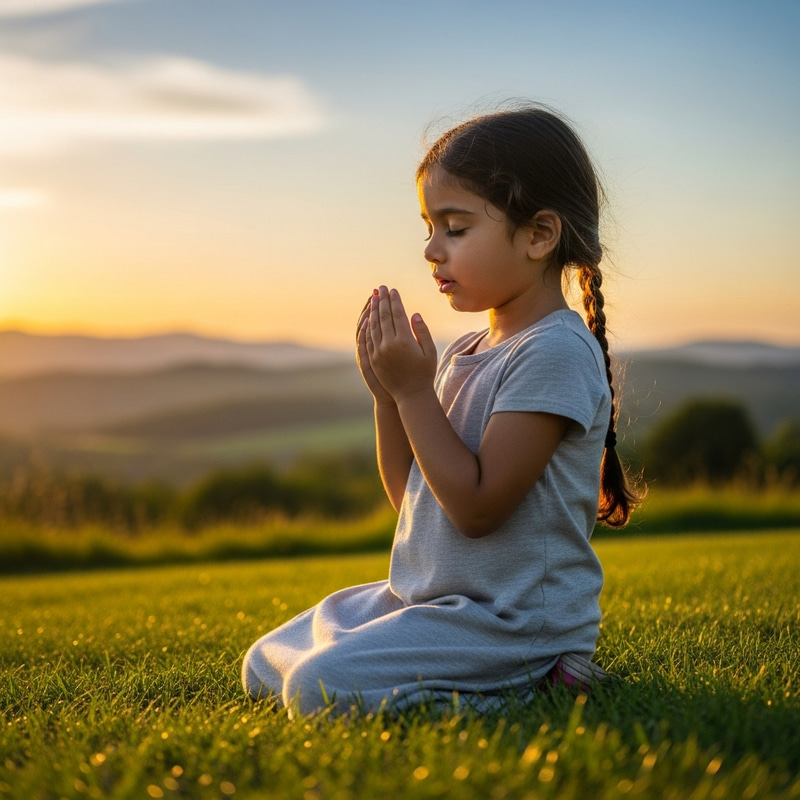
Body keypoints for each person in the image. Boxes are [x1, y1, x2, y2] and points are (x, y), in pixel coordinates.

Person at [242, 104, 640, 716]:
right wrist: (387, 398)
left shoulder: (554, 351)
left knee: (318, 689)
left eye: (455, 228)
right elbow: (418, 506)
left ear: (539, 235)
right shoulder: (464, 353)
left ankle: (537, 683)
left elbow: (478, 509)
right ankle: (467, 673)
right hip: (434, 601)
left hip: (508, 620)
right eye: (429, 227)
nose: (432, 250)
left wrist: (413, 394)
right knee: (266, 663)